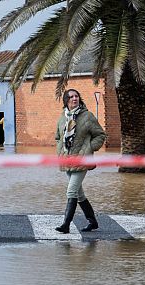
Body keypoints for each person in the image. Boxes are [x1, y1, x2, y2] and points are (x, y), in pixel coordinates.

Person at [54, 89, 106, 233]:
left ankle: (66, 225)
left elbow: (100, 135)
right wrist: (60, 150)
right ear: (66, 100)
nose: (74, 99)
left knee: (71, 191)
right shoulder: (62, 118)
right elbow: (58, 137)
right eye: (71, 97)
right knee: (79, 194)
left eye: (76, 96)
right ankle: (92, 221)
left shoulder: (87, 116)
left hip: (82, 160)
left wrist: (90, 148)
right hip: (67, 160)